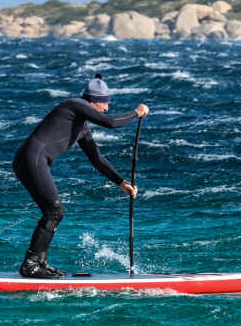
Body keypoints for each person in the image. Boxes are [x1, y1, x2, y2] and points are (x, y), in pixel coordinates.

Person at [13, 74, 149, 278]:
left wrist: (121, 182)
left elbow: (97, 159)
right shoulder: (74, 105)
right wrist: (135, 113)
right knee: (55, 211)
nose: (107, 108)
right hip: (31, 159)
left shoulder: (81, 127)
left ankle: (39, 262)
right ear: (94, 101)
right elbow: (110, 122)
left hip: (32, 161)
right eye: (105, 103)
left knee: (53, 212)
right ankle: (30, 265)